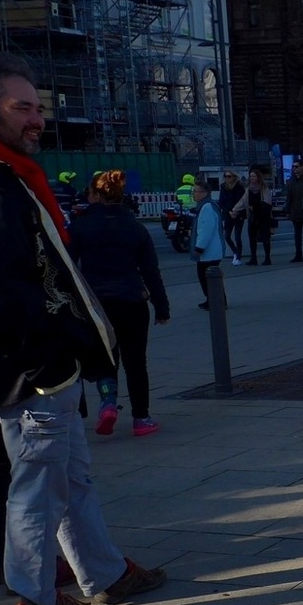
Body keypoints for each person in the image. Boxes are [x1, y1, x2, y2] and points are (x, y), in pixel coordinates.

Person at [0, 52, 166, 605]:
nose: (36, 118)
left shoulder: (13, 177)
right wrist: (47, 358)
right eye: (22, 108)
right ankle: (36, 602)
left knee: (70, 479)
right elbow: (5, 289)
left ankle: (106, 573)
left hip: (47, 367)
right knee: (37, 489)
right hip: (29, 370)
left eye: (39, 108)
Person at [68, 169, 170, 438]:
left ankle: (108, 403)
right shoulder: (135, 227)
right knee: (136, 361)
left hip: (98, 304)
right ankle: (141, 418)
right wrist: (161, 307)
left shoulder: (80, 226)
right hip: (132, 301)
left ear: (97, 195)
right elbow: (150, 270)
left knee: (105, 357)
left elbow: (67, 267)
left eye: (89, 193)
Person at [192, 180, 226, 309]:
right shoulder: (208, 205)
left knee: (207, 278)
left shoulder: (206, 207)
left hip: (209, 252)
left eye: (196, 191)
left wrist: (199, 247)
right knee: (212, 278)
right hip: (212, 251)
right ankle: (219, 300)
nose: (194, 194)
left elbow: (205, 230)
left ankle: (214, 301)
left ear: (204, 193)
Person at [236, 168, 273, 266]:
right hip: (252, 216)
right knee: (252, 238)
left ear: (258, 178)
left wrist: (257, 205)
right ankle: (253, 258)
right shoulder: (249, 189)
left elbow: (267, 202)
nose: (251, 178)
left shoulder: (264, 188)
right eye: (250, 176)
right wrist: (234, 210)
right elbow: (242, 201)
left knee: (265, 237)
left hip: (263, 217)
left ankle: (267, 258)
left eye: (253, 176)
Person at [218, 169, 246, 265]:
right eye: (226, 176)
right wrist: (229, 211)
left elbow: (242, 201)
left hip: (238, 214)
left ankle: (238, 257)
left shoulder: (239, 187)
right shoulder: (223, 187)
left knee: (238, 237)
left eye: (229, 176)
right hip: (228, 214)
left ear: (234, 177)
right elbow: (221, 202)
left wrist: (236, 211)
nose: (227, 178)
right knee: (227, 236)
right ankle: (235, 252)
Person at [284, 161, 303, 262]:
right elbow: (289, 197)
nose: (294, 168)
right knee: (297, 235)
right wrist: (287, 209)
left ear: (302, 167)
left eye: (296, 166)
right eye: (293, 167)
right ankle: (298, 255)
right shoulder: (291, 181)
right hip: (295, 211)